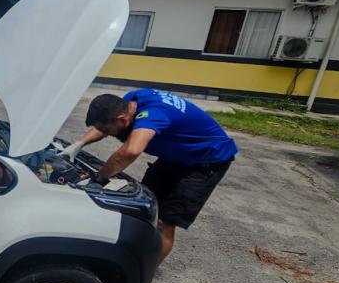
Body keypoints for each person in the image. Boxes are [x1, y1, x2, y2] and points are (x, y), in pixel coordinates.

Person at [60, 90, 237, 265]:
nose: (106, 133)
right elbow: (105, 126)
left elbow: (131, 151)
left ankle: (143, 275)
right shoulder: (130, 101)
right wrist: (78, 144)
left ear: (123, 119)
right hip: (178, 155)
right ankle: (131, 253)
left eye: (108, 131)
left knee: (164, 223)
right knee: (144, 206)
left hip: (207, 161)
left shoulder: (153, 115)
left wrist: (99, 179)